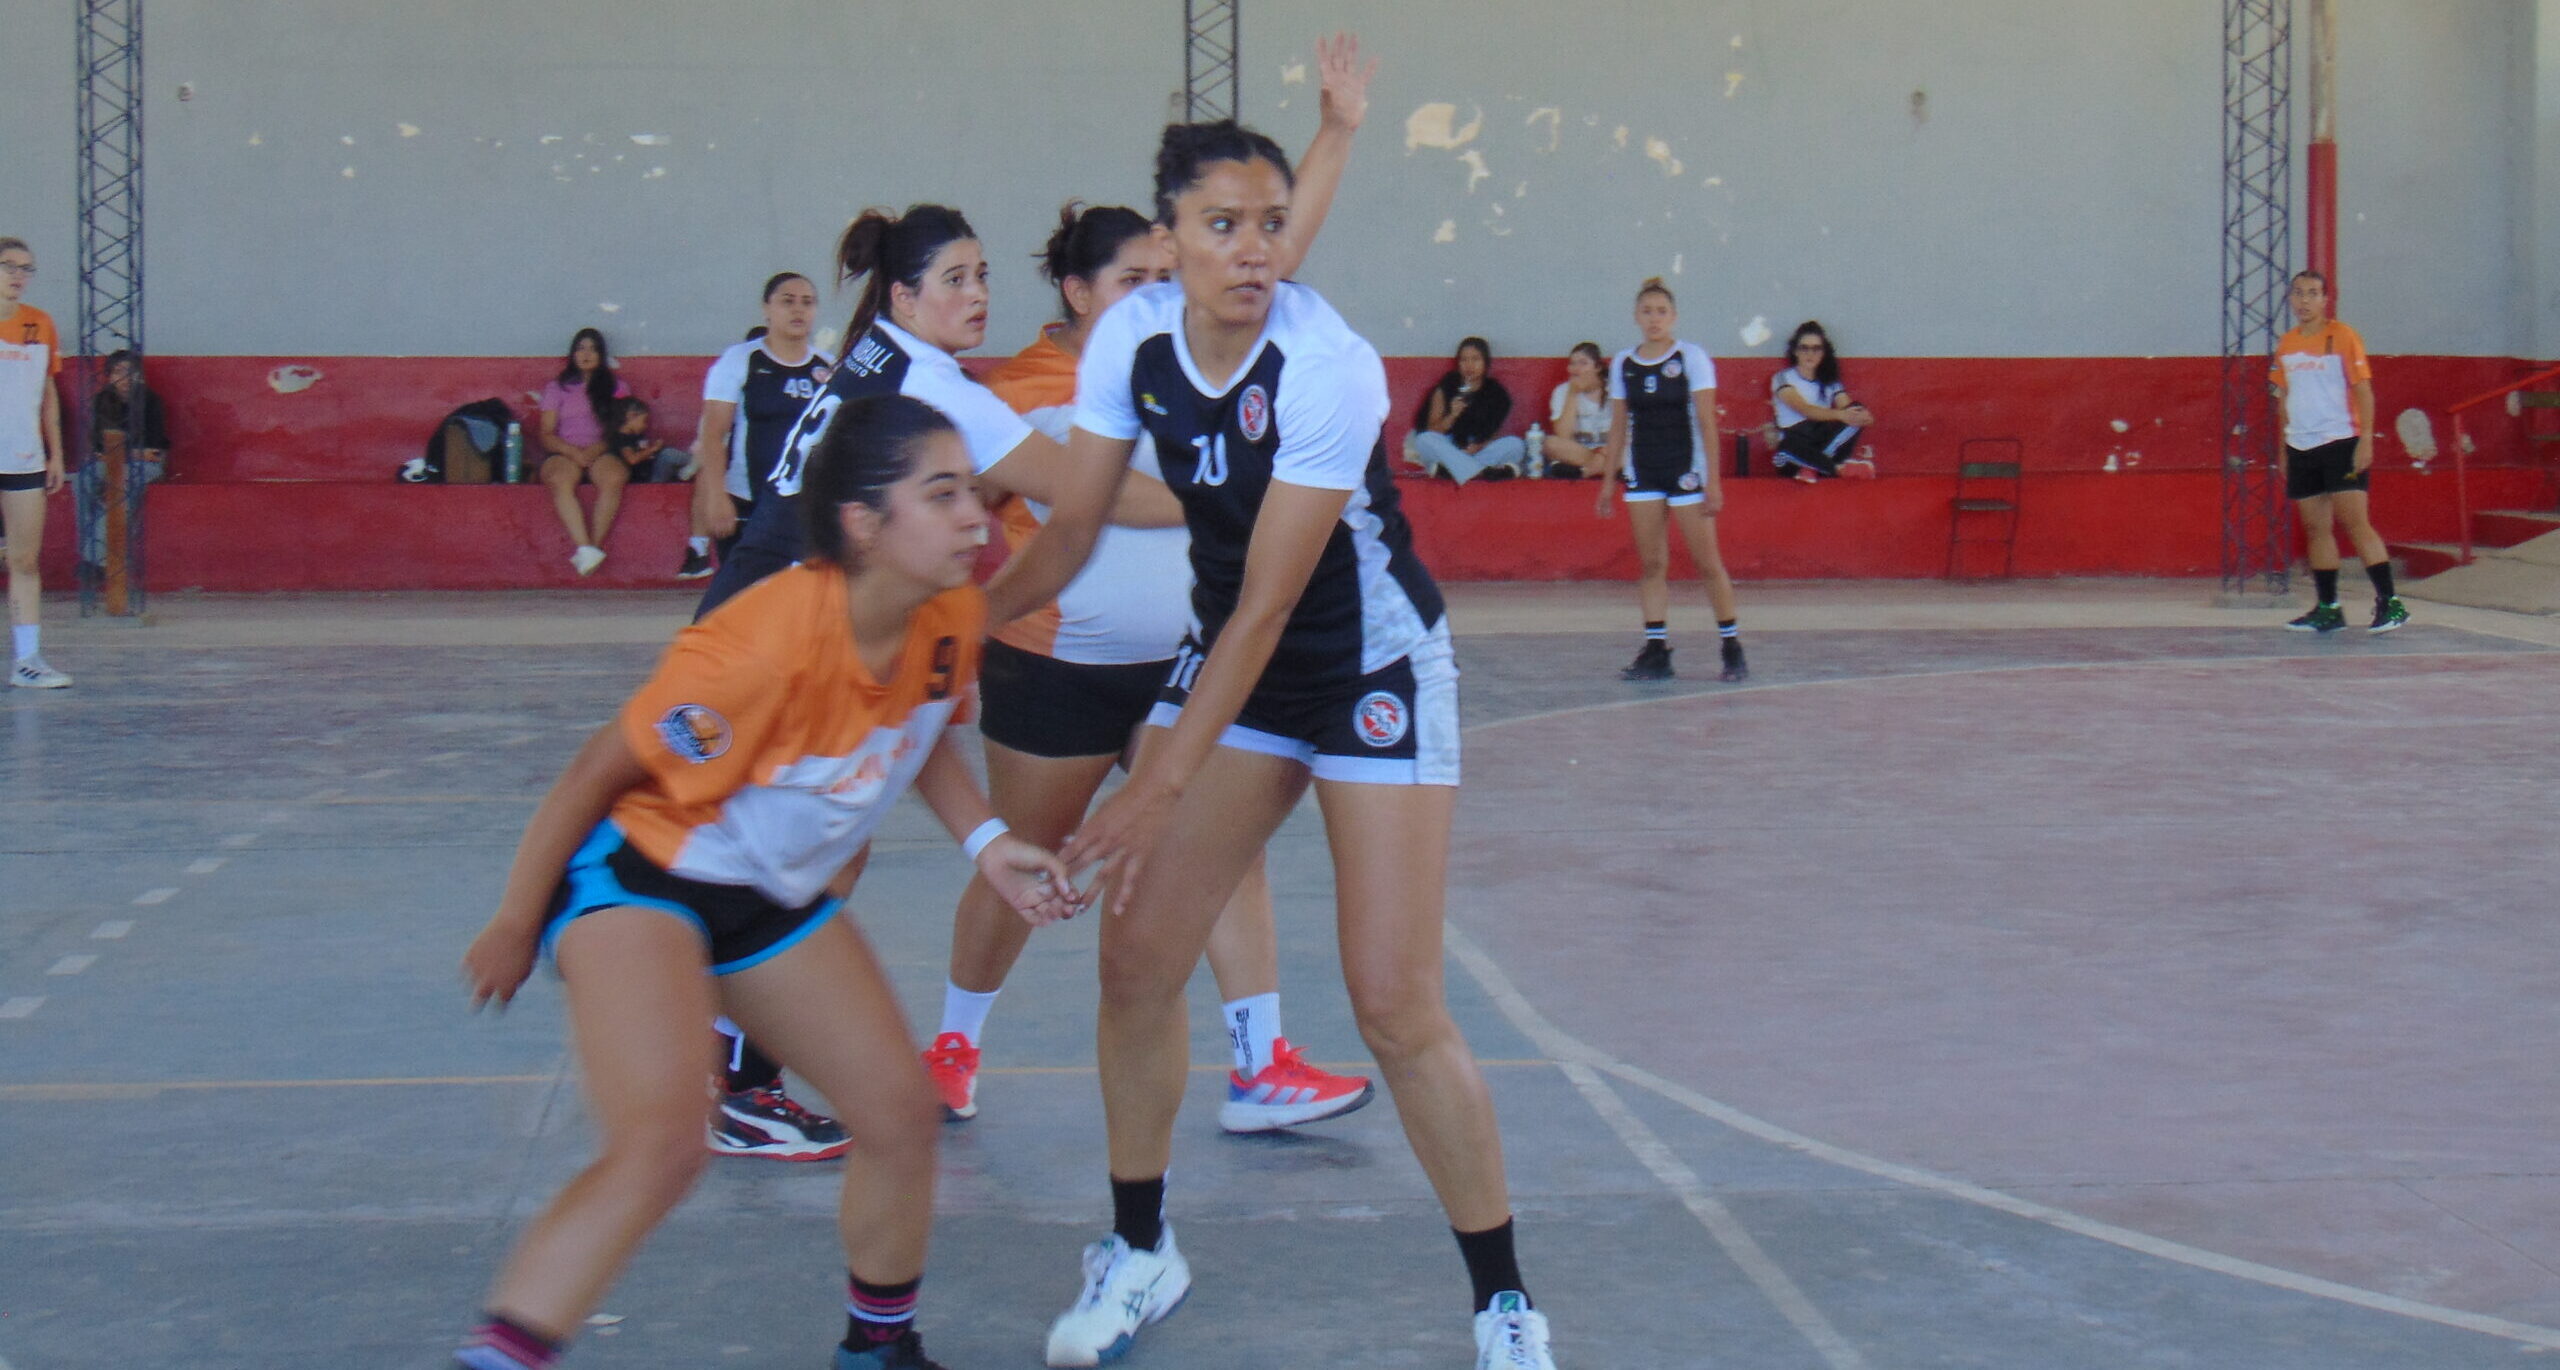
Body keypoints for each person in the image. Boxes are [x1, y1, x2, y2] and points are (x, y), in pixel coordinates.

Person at [1012, 118, 1558, 1370]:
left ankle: (1504, 1303)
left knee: (1393, 999)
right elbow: (1071, 522)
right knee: (1137, 952)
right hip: (1244, 667)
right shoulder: (1131, 345)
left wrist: (1154, 786)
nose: (1253, 251)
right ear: (1170, 240)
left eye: (1270, 225)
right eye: (1222, 226)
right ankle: (1140, 1249)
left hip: (1369, 667)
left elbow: (1268, 604)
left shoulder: (1328, 364)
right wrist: (953, 627)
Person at [455, 395, 1083, 1370]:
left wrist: (990, 841)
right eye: (943, 492)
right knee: (661, 1146)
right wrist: (511, 916)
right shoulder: (757, 644)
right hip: (645, 875)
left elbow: (918, 737)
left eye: (973, 487)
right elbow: (596, 771)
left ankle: (877, 1350)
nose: (975, 514)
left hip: (768, 899)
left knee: (897, 1113)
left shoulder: (949, 610)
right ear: (863, 524)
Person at [692, 203, 1188, 1160]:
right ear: (905, 294)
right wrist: (1215, 503)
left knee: (818, 853)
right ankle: (735, 1085)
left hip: (774, 626)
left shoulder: (881, 360)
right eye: (954, 279)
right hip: (777, 638)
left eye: (984, 275)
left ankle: (731, 1071)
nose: (977, 295)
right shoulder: (926, 383)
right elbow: (1071, 485)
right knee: (804, 861)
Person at [944, 83, 1378, 1137]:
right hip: (1058, 667)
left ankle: (1258, 1053)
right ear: (1082, 291)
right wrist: (953, 630)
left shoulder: (1238, 333)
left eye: (1160, 265)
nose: (1165, 279)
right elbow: (1056, 512)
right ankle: (954, 1039)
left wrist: (1336, 132)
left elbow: (1279, 236)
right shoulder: (1052, 378)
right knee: (1028, 856)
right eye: (1134, 273)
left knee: (1215, 849)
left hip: (1189, 652)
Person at [1595, 278, 1747, 683]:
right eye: (1647, 311)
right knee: (1651, 564)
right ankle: (1657, 649)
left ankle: (1731, 645)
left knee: (1707, 563)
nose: (1654, 319)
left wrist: (1713, 481)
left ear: (1674, 316)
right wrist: (1608, 482)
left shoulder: (1691, 357)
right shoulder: (1624, 364)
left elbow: (1706, 422)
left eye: (1662, 311)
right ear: (1636, 317)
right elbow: (1617, 427)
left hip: (1686, 471)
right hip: (1643, 472)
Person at [2275, 270, 2407, 634]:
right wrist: (2284, 449)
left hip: (2341, 443)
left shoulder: (2343, 337)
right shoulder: (2286, 345)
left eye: (2312, 294)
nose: (2304, 301)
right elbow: (2284, 398)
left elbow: (2364, 391)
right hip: (2301, 445)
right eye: (2298, 293)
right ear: (2290, 299)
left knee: (2354, 522)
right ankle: (2329, 608)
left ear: (2325, 299)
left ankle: (2390, 603)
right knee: (2316, 528)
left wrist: (2365, 439)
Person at [685, 275, 832, 581]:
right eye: (787, 301)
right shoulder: (740, 360)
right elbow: (712, 434)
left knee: (804, 603)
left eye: (807, 302)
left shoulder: (829, 367)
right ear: (767, 308)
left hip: (807, 506)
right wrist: (716, 496)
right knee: (743, 601)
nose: (798, 310)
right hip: (748, 503)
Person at [0, 236, 68, 689]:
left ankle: (28, 661)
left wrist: (55, 453)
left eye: (26, 268)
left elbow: (47, 394)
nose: (18, 276)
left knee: (24, 560)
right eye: (9, 266)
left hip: (23, 458)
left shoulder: (40, 324)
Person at [535, 328, 636, 577]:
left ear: (601, 354)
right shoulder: (557, 387)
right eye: (580, 348)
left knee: (614, 477)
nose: (586, 354)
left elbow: (621, 427)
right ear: (572, 354)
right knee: (559, 479)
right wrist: (572, 452)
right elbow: (546, 433)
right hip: (564, 451)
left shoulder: (617, 386)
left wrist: (594, 450)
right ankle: (584, 546)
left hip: (601, 450)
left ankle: (593, 547)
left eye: (592, 348)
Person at [79, 348, 169, 589]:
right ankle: (96, 555)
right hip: (112, 461)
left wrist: (125, 454)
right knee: (83, 479)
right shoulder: (101, 400)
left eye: (131, 372)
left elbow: (154, 450)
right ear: (108, 375)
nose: (125, 378)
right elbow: (99, 447)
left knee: (123, 484)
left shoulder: (151, 401)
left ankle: (91, 559)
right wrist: (129, 453)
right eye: (118, 371)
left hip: (144, 465)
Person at [1768, 321, 1876, 483]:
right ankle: (1837, 469)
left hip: (1825, 445)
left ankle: (1816, 467)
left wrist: (1862, 416)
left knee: (1855, 410)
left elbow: (1846, 408)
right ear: (1795, 351)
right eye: (1804, 348)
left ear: (1823, 353)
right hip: (1796, 445)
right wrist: (1841, 415)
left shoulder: (1830, 381)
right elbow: (1804, 409)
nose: (1810, 354)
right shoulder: (1782, 378)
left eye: (1816, 348)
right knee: (1786, 448)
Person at [1406, 336, 1523, 484]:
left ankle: (1456, 471)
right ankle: (1479, 471)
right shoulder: (1446, 386)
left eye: (1475, 359)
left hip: (1475, 451)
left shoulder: (1496, 394)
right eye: (1464, 360)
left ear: (1486, 363)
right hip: (1450, 447)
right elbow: (1432, 430)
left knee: (1515, 444)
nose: (1469, 365)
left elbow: (1492, 435)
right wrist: (1452, 416)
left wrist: (1478, 447)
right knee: (1424, 440)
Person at [1539, 341, 1610, 479]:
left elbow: (1627, 433)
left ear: (1598, 367)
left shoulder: (1615, 389)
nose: (1576, 369)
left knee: (1637, 449)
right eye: (1572, 363)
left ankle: (1585, 471)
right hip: (1579, 452)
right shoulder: (1562, 391)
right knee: (1548, 443)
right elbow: (1563, 436)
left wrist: (1605, 453)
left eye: (1583, 363)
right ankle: (1606, 468)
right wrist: (1573, 393)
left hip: (1611, 450)